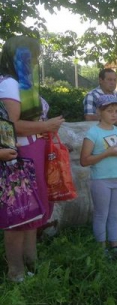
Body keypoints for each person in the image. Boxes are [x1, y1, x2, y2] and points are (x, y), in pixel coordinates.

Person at [0, 36, 64, 282]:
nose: (37, 61)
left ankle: (32, 265)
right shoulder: (9, 85)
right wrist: (46, 125)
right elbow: (11, 126)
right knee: (19, 212)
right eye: (34, 56)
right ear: (23, 57)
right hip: (20, 154)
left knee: (33, 212)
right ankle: (16, 272)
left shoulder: (20, 83)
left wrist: (44, 128)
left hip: (33, 149)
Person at [80, 95, 117, 259]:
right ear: (99, 112)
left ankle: (115, 247)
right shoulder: (93, 132)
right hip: (101, 179)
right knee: (101, 213)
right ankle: (101, 249)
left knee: (115, 213)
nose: (114, 114)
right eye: (110, 111)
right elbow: (84, 160)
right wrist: (107, 152)